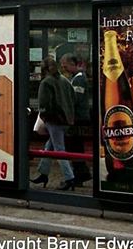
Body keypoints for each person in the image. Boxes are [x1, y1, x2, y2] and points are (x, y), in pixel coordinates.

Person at [32, 56, 76, 190]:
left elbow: (44, 104)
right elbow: (73, 97)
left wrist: (45, 118)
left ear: (44, 69)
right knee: (49, 146)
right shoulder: (65, 80)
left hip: (54, 120)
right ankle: (43, 173)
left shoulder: (46, 83)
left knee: (59, 150)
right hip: (66, 119)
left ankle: (70, 178)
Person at [61, 53, 92, 186]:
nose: (64, 68)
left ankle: (81, 173)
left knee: (75, 145)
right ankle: (81, 173)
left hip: (78, 118)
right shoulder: (77, 78)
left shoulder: (78, 79)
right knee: (75, 145)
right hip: (78, 117)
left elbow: (76, 99)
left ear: (72, 64)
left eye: (65, 65)